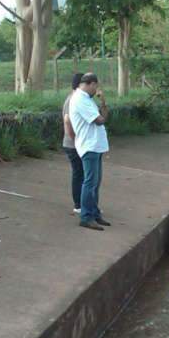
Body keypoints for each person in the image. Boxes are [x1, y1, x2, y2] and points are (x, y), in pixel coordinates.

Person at [69, 72, 111, 231]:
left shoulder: (86, 100)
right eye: (96, 87)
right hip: (89, 145)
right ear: (91, 84)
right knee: (90, 182)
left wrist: (102, 102)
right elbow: (100, 120)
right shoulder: (80, 100)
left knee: (95, 182)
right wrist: (102, 102)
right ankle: (86, 217)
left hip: (96, 145)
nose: (97, 90)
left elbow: (103, 117)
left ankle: (94, 213)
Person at [62, 72, 84, 215]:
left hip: (74, 143)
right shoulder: (72, 100)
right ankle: (78, 204)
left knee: (81, 174)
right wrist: (76, 141)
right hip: (73, 144)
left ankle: (82, 203)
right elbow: (67, 121)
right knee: (79, 174)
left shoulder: (74, 98)